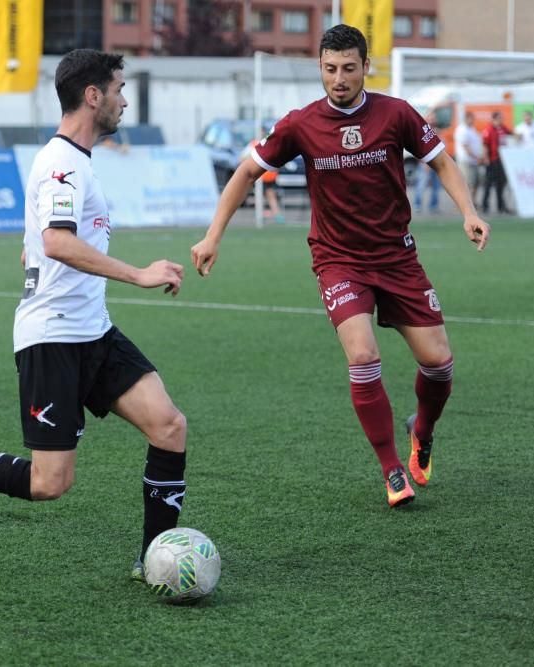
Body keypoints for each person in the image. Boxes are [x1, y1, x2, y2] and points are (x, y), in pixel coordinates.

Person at [0, 49, 188, 583]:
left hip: (92, 331)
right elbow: (56, 242)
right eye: (119, 89)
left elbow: (37, 243)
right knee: (49, 484)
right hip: (52, 339)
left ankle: (156, 561)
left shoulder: (74, 163)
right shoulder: (62, 164)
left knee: (169, 426)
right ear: (93, 96)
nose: (125, 100)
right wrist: (139, 273)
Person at [190, 25, 490, 508]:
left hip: (397, 257)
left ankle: (423, 430)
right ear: (320, 69)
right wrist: (213, 235)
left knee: (438, 365)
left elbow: (442, 163)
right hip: (338, 260)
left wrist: (469, 212)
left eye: (349, 68)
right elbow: (247, 171)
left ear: (365, 67)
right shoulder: (300, 124)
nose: (339, 78)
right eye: (330, 69)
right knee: (364, 357)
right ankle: (393, 470)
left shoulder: (396, 114)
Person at [481, 111, 512, 214]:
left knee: (501, 183)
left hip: (501, 160)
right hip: (492, 160)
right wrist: (486, 158)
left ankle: (501, 206)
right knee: (488, 184)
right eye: (499, 118)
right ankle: (485, 205)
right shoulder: (488, 130)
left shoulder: (502, 128)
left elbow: (510, 133)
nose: (501, 120)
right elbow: (485, 145)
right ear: (494, 119)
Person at [247, 139, 285, 223]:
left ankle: (276, 215)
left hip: (268, 177)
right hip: (259, 177)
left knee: (270, 195)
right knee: (260, 196)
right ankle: (261, 215)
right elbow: (243, 157)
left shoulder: (269, 142)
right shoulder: (253, 144)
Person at [453, 110, 484, 204]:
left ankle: (472, 202)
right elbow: (465, 147)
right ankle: (464, 204)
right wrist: (476, 157)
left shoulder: (471, 129)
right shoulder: (462, 130)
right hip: (466, 160)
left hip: (473, 160)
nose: (472, 121)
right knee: (467, 183)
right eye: (471, 119)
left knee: (475, 183)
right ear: (466, 119)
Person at [414, 112, 441, 213]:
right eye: (431, 118)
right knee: (421, 185)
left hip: (436, 164)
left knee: (435, 186)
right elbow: (418, 148)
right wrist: (425, 163)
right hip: (425, 164)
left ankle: (433, 206)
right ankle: (417, 204)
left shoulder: (437, 131)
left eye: (434, 118)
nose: (433, 120)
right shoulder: (422, 131)